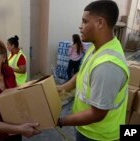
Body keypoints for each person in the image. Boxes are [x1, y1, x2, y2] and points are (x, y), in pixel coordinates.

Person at [56, 1, 129, 140]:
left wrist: (60, 121)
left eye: (84, 21)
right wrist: (63, 87)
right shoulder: (96, 48)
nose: (80, 26)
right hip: (86, 129)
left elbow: (97, 114)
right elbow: (83, 73)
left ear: (100, 23)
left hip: (99, 135)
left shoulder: (107, 66)